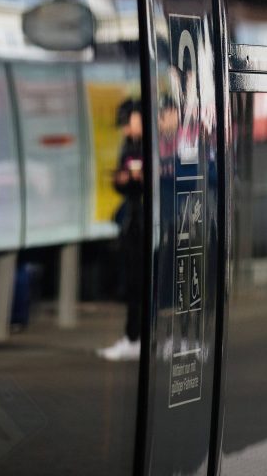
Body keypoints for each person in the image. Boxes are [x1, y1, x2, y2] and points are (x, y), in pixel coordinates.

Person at [98, 98, 144, 362]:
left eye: (128, 123)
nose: (125, 130)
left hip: (152, 220)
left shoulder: (156, 143)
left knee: (143, 283)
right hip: (134, 219)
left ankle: (139, 337)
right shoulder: (128, 145)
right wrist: (122, 180)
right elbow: (121, 181)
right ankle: (133, 337)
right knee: (133, 282)